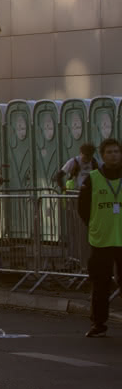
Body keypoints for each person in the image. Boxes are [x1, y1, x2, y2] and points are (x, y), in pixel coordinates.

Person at [76, 137, 122, 337]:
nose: (113, 155)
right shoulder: (93, 178)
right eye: (109, 152)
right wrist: (94, 225)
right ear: (102, 155)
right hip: (101, 239)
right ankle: (98, 324)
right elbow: (83, 208)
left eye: (116, 151)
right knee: (100, 284)